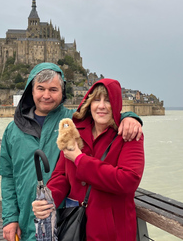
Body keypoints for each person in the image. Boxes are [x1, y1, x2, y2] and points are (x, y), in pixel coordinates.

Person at [0, 63, 143, 241]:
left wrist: (130, 117)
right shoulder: (12, 130)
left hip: (65, 222)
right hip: (28, 218)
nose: (46, 95)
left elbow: (103, 112)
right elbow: (7, 176)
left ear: (62, 93)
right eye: (40, 89)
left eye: (53, 89)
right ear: (31, 90)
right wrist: (10, 218)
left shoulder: (70, 123)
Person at [32, 78, 145, 240]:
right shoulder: (74, 131)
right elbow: (61, 176)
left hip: (113, 232)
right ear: (89, 103)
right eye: (96, 100)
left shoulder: (129, 135)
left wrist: (79, 159)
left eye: (108, 100)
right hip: (75, 227)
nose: (101, 106)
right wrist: (48, 201)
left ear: (117, 104)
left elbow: (128, 180)